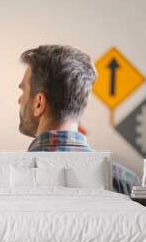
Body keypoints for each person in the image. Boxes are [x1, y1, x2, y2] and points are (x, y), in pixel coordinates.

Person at [18, 45, 138, 194]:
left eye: (23, 91)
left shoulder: (7, 178)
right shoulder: (126, 182)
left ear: (39, 103)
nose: (19, 100)